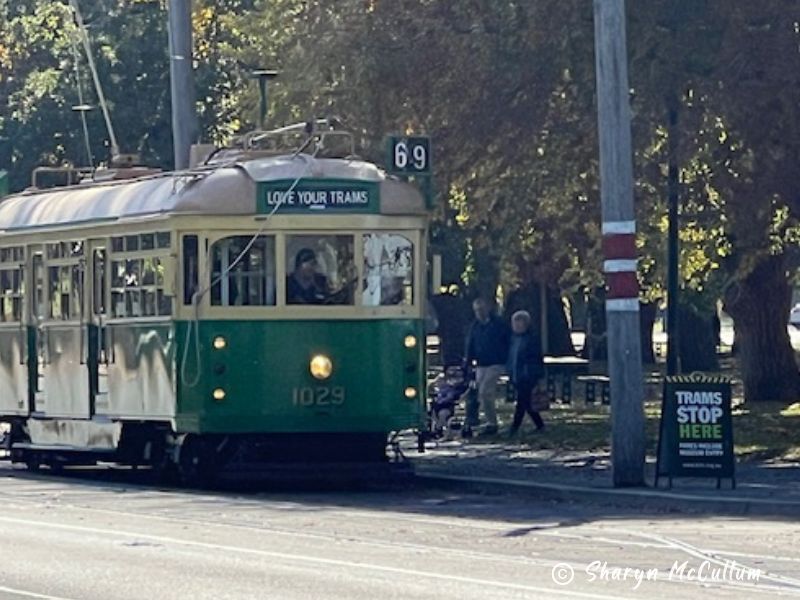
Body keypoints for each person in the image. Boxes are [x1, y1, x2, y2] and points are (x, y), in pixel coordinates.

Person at [463, 298, 510, 435]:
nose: (480, 313)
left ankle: (492, 423)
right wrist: (468, 362)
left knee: (485, 392)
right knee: (479, 394)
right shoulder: (475, 326)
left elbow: (507, 342)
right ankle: (485, 420)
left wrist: (507, 360)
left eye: (482, 309)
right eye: (477, 310)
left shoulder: (499, 324)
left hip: (496, 363)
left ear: (488, 308)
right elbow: (470, 344)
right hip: (481, 364)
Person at [507, 310, 545, 435]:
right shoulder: (512, 339)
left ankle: (514, 427)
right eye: (515, 323)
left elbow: (536, 358)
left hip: (527, 374)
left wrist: (537, 375)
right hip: (516, 374)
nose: (517, 326)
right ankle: (540, 425)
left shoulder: (531, 339)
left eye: (520, 323)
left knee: (522, 402)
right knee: (526, 403)